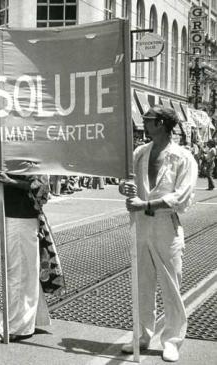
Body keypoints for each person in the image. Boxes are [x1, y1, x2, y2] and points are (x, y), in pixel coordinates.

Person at [119, 106, 198, 362]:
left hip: (166, 226)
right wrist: (125, 188)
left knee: (170, 285)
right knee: (142, 284)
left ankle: (172, 340)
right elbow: (128, 182)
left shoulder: (183, 157)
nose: (144, 122)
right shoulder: (141, 153)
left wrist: (148, 205)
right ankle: (142, 336)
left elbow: (182, 196)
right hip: (140, 226)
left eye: (148, 120)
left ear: (162, 123)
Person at [0, 171, 65, 344]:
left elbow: (42, 188)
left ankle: (14, 326)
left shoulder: (31, 154)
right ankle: (28, 319)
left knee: (17, 271)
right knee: (20, 269)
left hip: (19, 216)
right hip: (2, 211)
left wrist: (11, 182)